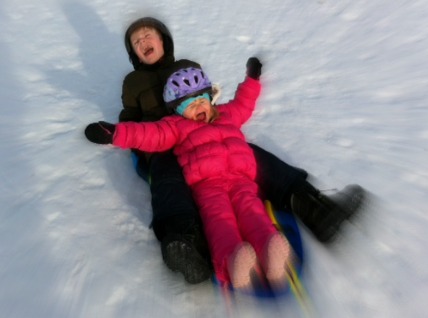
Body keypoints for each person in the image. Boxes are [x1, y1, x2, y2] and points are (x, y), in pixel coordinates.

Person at [104, 17, 365, 285]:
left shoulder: (187, 67)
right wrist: (120, 133)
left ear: (163, 40)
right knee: (167, 177)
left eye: (148, 35)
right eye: (136, 42)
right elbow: (130, 118)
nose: (143, 42)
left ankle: (315, 209)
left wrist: (248, 83)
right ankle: (186, 243)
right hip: (162, 144)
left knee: (245, 152)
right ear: (133, 53)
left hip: (208, 136)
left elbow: (227, 104)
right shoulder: (133, 81)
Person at [85, 59, 292, 289]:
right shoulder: (175, 127)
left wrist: (252, 79)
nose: (198, 107)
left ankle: (269, 248)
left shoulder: (227, 114)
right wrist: (113, 133)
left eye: (201, 100)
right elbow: (146, 134)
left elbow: (244, 103)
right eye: (189, 105)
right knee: (219, 220)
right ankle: (232, 260)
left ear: (210, 98)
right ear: (177, 110)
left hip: (241, 180)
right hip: (208, 186)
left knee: (252, 210)